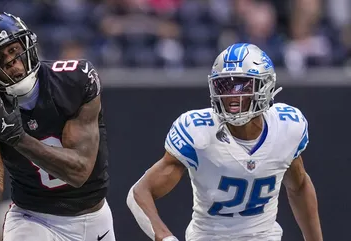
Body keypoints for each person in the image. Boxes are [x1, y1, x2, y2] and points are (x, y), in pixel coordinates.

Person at [0, 12, 115, 241]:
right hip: (33, 219)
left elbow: (78, 171)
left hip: (94, 217)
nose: (12, 62)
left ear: (27, 44)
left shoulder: (74, 81)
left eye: (13, 50)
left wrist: (16, 137)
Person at [126, 43, 323, 241]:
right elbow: (140, 192)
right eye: (225, 86)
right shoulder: (199, 132)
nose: (232, 96)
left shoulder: (286, 126)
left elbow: (299, 186)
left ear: (265, 85)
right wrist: (165, 238)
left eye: (241, 85)